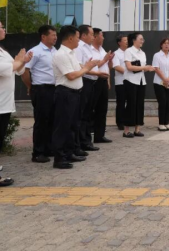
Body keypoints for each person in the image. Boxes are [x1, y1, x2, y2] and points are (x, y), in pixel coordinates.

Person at [51, 25, 98, 169]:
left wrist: (87, 67)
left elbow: (79, 69)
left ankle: (69, 152)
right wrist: (86, 68)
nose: (79, 40)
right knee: (63, 126)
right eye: (78, 37)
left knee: (73, 125)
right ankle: (59, 158)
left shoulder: (72, 53)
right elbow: (71, 75)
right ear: (70, 38)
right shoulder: (61, 54)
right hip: (65, 93)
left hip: (75, 93)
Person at [0, 20, 32, 182]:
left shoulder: (2, 50)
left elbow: (16, 69)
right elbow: (5, 69)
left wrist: (22, 61)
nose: (4, 29)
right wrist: (18, 61)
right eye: (1, 27)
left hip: (4, 104)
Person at [21, 25, 57, 163]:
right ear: (43, 36)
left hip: (54, 89)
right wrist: (30, 86)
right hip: (41, 89)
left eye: (56, 35)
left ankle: (49, 148)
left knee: (52, 120)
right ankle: (38, 152)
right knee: (41, 121)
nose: (55, 37)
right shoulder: (35, 51)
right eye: (53, 35)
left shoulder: (55, 51)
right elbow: (25, 71)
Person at [74, 25, 101, 152]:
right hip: (84, 81)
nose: (93, 37)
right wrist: (96, 73)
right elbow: (81, 67)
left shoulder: (89, 48)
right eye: (91, 34)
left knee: (88, 113)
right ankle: (81, 142)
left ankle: (86, 141)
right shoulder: (79, 47)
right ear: (83, 35)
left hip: (92, 82)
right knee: (82, 113)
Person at [123, 32, 155, 138]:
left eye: (143, 39)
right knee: (131, 104)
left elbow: (141, 68)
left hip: (141, 80)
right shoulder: (128, 51)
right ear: (134, 40)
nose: (142, 41)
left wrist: (148, 68)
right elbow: (129, 67)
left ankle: (137, 129)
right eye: (140, 39)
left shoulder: (142, 53)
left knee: (139, 105)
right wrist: (144, 68)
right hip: (130, 81)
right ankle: (126, 130)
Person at [90, 28, 113, 144]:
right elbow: (92, 66)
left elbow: (108, 66)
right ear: (95, 37)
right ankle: (89, 134)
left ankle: (100, 135)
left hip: (104, 79)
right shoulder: (90, 50)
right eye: (101, 35)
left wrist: (110, 60)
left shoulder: (102, 50)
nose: (103, 38)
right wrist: (104, 60)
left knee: (102, 109)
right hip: (95, 80)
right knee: (92, 108)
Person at [152, 38, 169, 131]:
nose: (167, 45)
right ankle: (161, 123)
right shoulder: (157, 55)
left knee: (168, 103)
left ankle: (167, 123)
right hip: (159, 82)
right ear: (161, 45)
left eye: (168, 43)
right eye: (165, 43)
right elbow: (156, 68)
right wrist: (164, 79)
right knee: (162, 102)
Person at [112, 34, 128, 131]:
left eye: (127, 40)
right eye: (125, 40)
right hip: (120, 82)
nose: (127, 42)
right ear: (119, 43)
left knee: (130, 102)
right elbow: (116, 66)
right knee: (121, 103)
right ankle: (120, 122)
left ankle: (127, 120)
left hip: (130, 81)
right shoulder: (116, 53)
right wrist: (129, 71)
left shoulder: (129, 52)